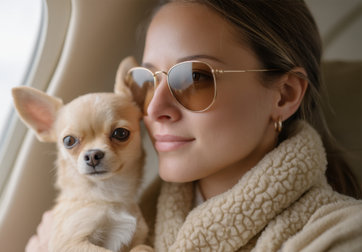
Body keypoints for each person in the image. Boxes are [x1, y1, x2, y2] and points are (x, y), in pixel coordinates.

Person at [26, 0, 362, 251]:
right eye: (149, 81)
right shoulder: (128, 222)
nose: (153, 108)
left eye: (194, 78)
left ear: (284, 95)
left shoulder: (341, 234)